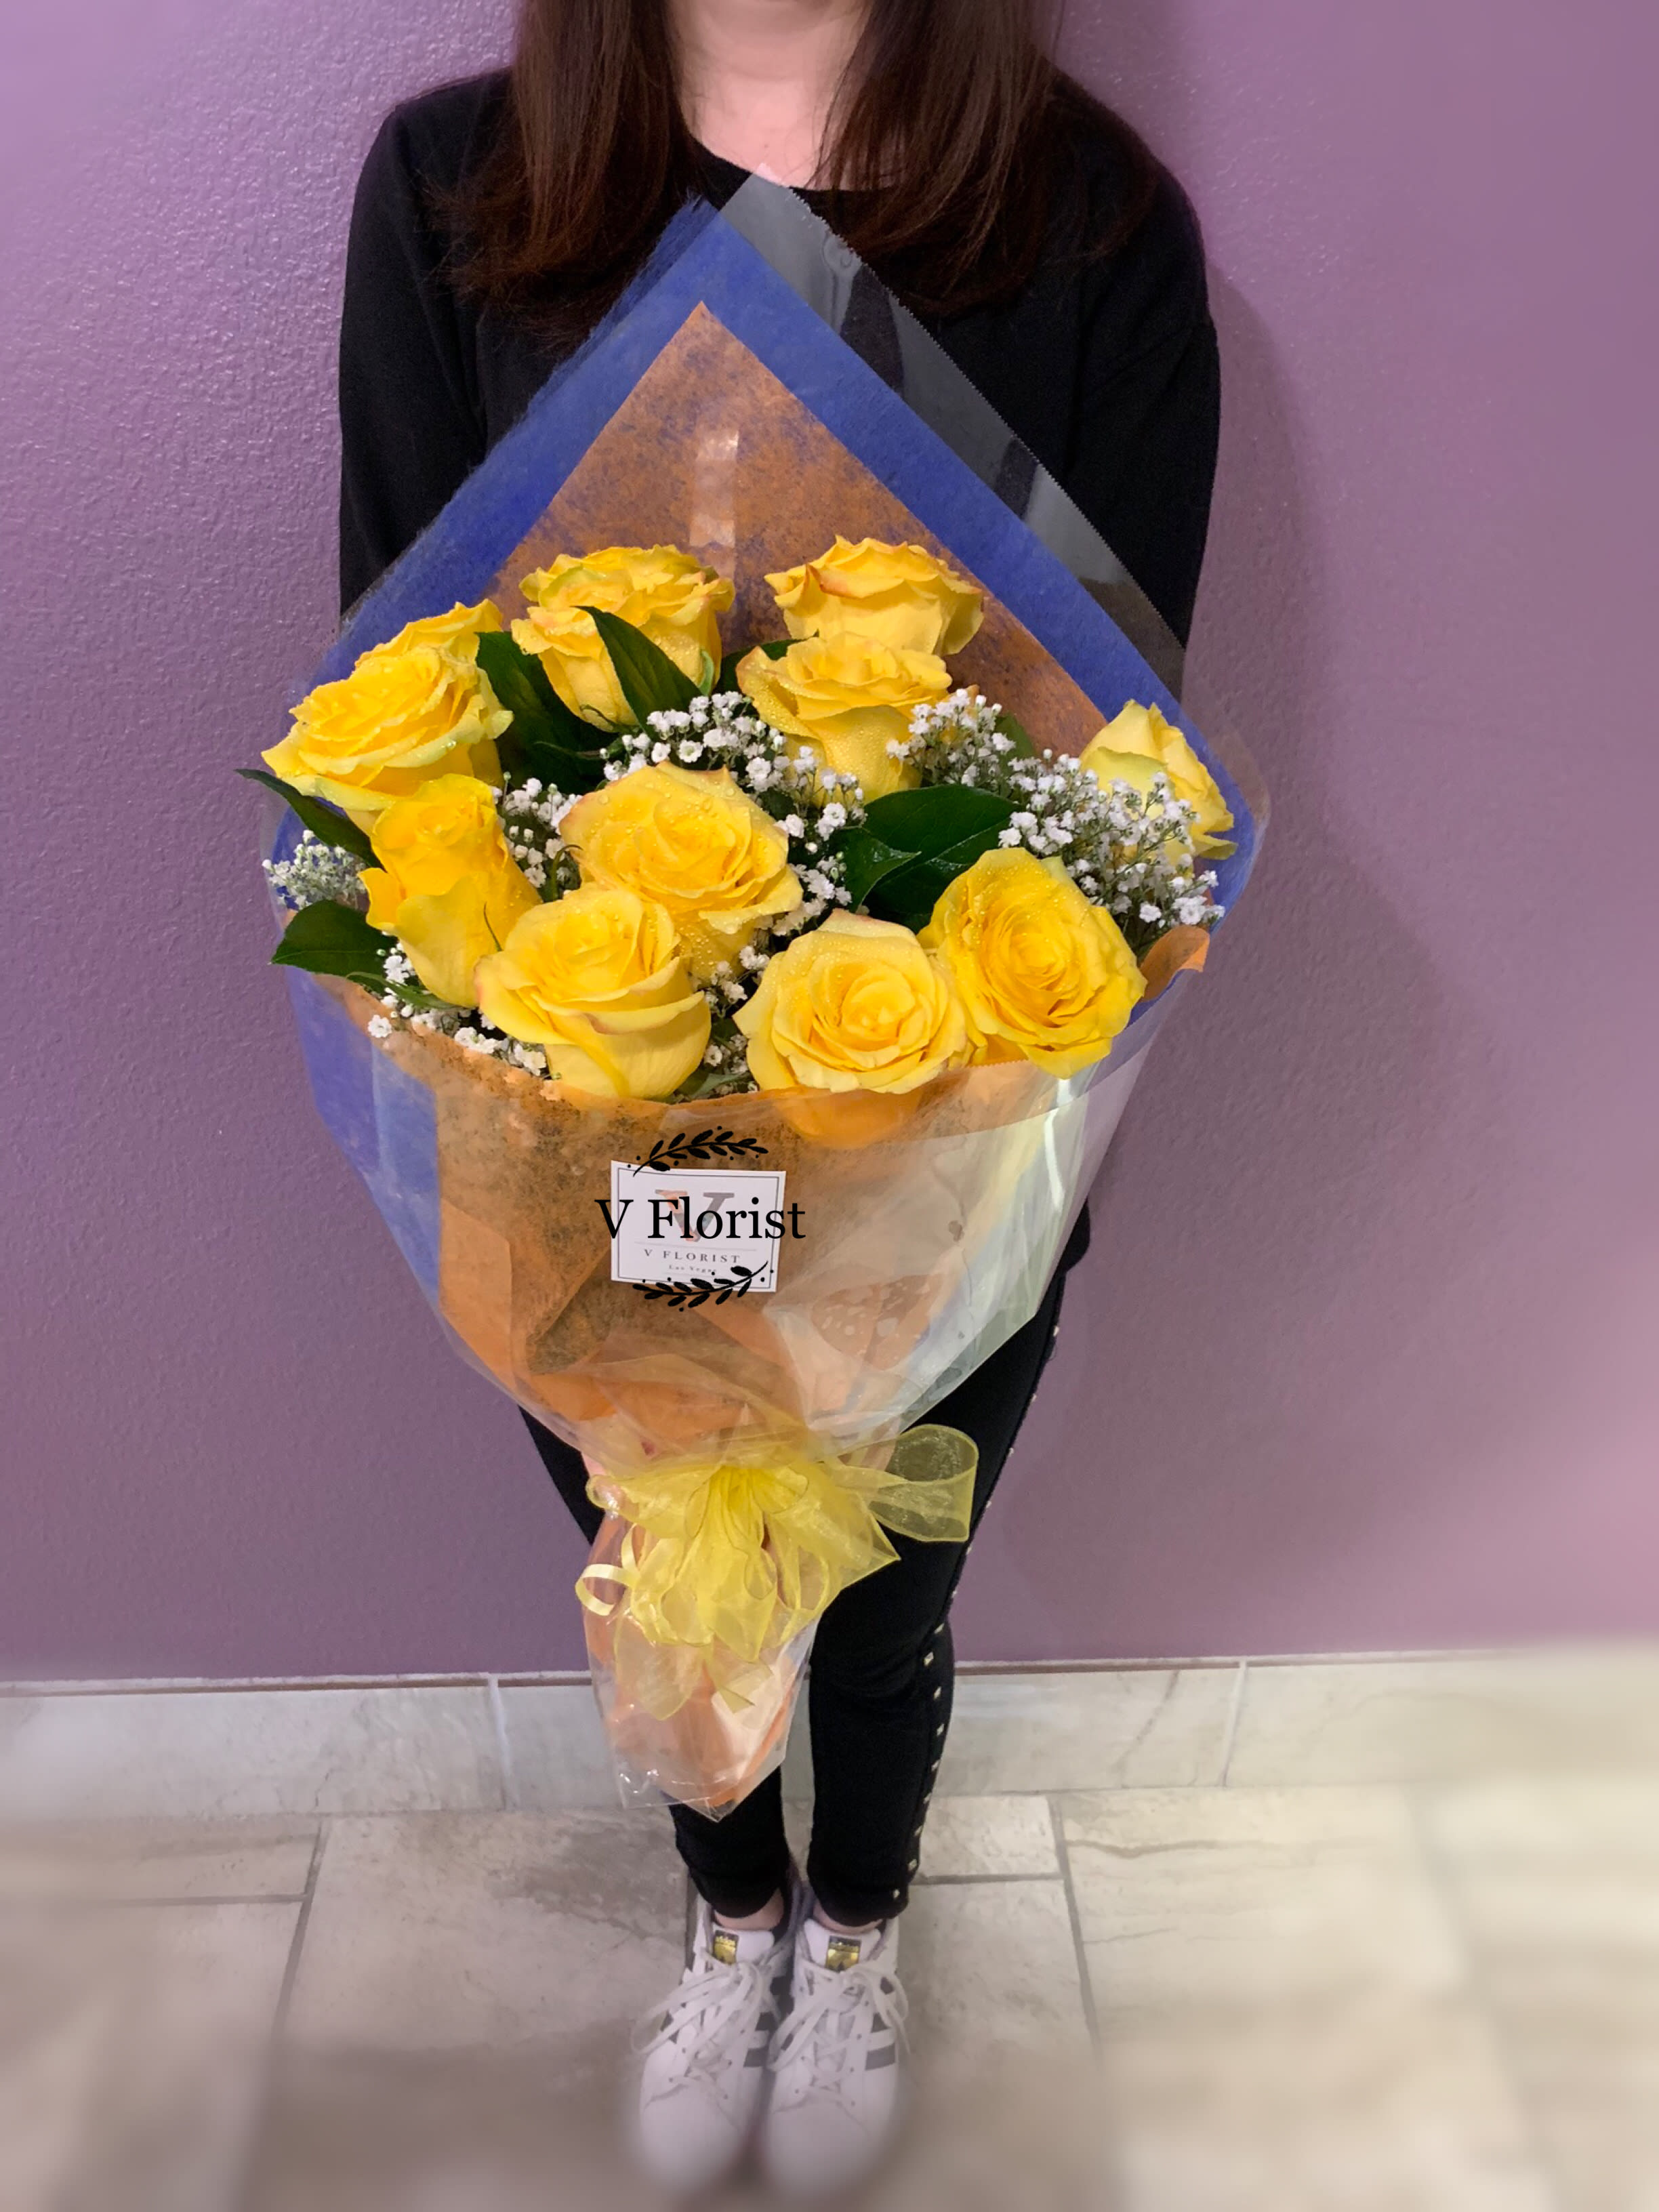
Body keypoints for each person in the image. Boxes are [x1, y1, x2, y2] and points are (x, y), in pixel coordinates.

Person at [338, 0, 1218, 2189]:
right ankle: (729, 1920)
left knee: (891, 1588)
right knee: (670, 1557)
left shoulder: (1090, 222)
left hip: (941, 1134)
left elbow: (1122, 753)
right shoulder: (457, 193)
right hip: (579, 1134)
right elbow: (396, 664)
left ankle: (856, 1933)